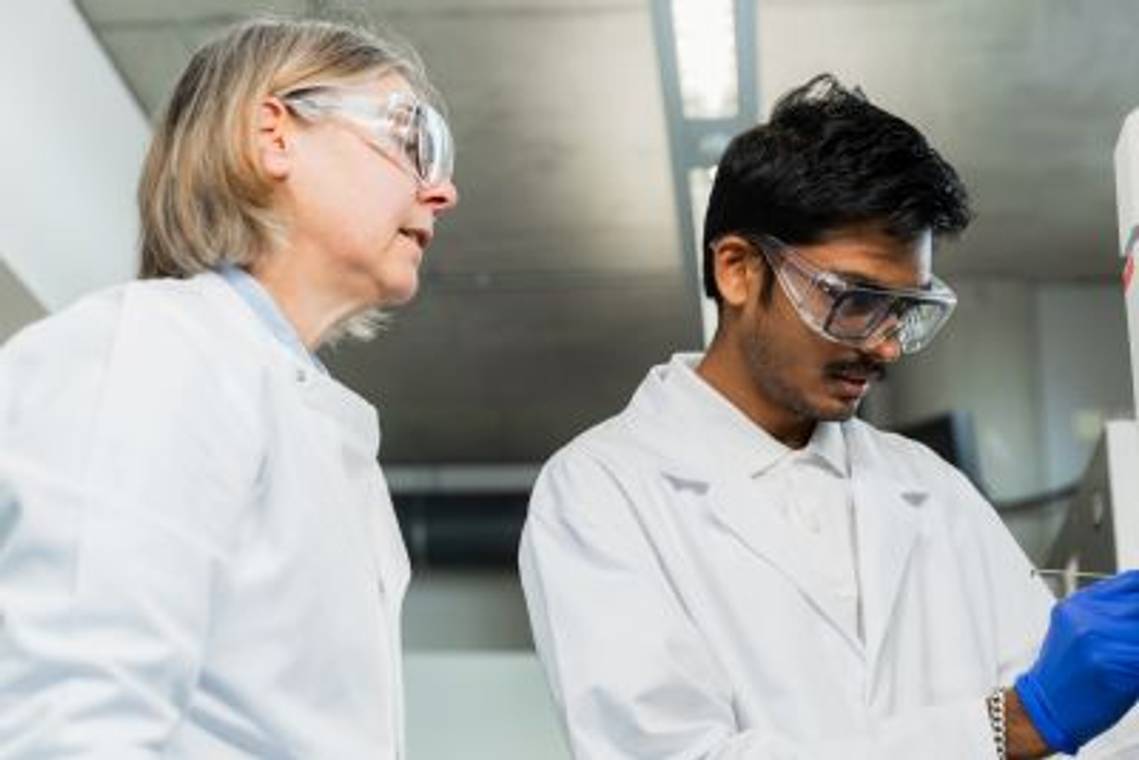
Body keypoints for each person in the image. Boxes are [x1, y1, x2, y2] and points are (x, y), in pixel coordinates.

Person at [519, 74, 1139, 758]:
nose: (882, 344)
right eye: (854, 299)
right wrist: (1007, 725)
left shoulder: (931, 492)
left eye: (906, 310)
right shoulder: (602, 490)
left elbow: (1077, 733)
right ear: (736, 269)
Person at [0, 16, 456, 757]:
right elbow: (75, 721)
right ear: (274, 135)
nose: (442, 190)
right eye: (411, 139)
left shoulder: (309, 421)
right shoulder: (155, 352)